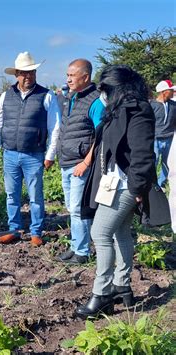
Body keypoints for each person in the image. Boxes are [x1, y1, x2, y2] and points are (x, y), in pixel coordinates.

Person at [77, 65, 156, 318]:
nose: (104, 94)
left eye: (107, 89)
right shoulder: (117, 111)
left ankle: (102, 295)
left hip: (126, 185)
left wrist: (137, 190)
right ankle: (123, 286)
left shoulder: (138, 111)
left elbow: (143, 155)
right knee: (120, 233)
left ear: (120, 88)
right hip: (113, 183)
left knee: (99, 232)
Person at [0, 51, 60, 247]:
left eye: (31, 72)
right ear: (16, 75)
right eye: (24, 73)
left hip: (34, 155)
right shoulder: (6, 96)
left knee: (35, 195)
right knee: (11, 195)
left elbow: (55, 126)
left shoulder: (46, 95)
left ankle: (36, 231)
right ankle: (14, 229)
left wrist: (50, 154)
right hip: (10, 153)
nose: (28, 76)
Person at [57, 59, 105, 264]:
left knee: (78, 208)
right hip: (66, 162)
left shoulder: (95, 102)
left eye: (72, 75)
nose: (68, 79)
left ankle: (83, 252)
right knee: (71, 207)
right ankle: (76, 245)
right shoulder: (70, 98)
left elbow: (101, 136)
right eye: (67, 75)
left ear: (85, 77)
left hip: (80, 164)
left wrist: (86, 162)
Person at [150, 80, 176, 188]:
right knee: (153, 162)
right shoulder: (152, 105)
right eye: (171, 90)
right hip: (155, 139)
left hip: (169, 138)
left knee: (166, 163)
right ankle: (152, 184)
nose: (173, 91)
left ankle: (161, 184)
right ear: (164, 92)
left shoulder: (174, 105)